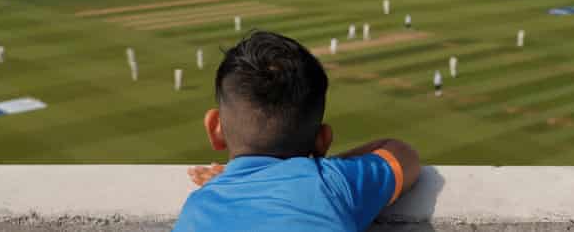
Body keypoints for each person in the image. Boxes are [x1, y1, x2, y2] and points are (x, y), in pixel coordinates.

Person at [175, 31, 420, 232]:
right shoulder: (334, 183)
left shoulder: (195, 212)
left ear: (214, 128)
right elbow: (403, 154)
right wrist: (328, 170)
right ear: (323, 141)